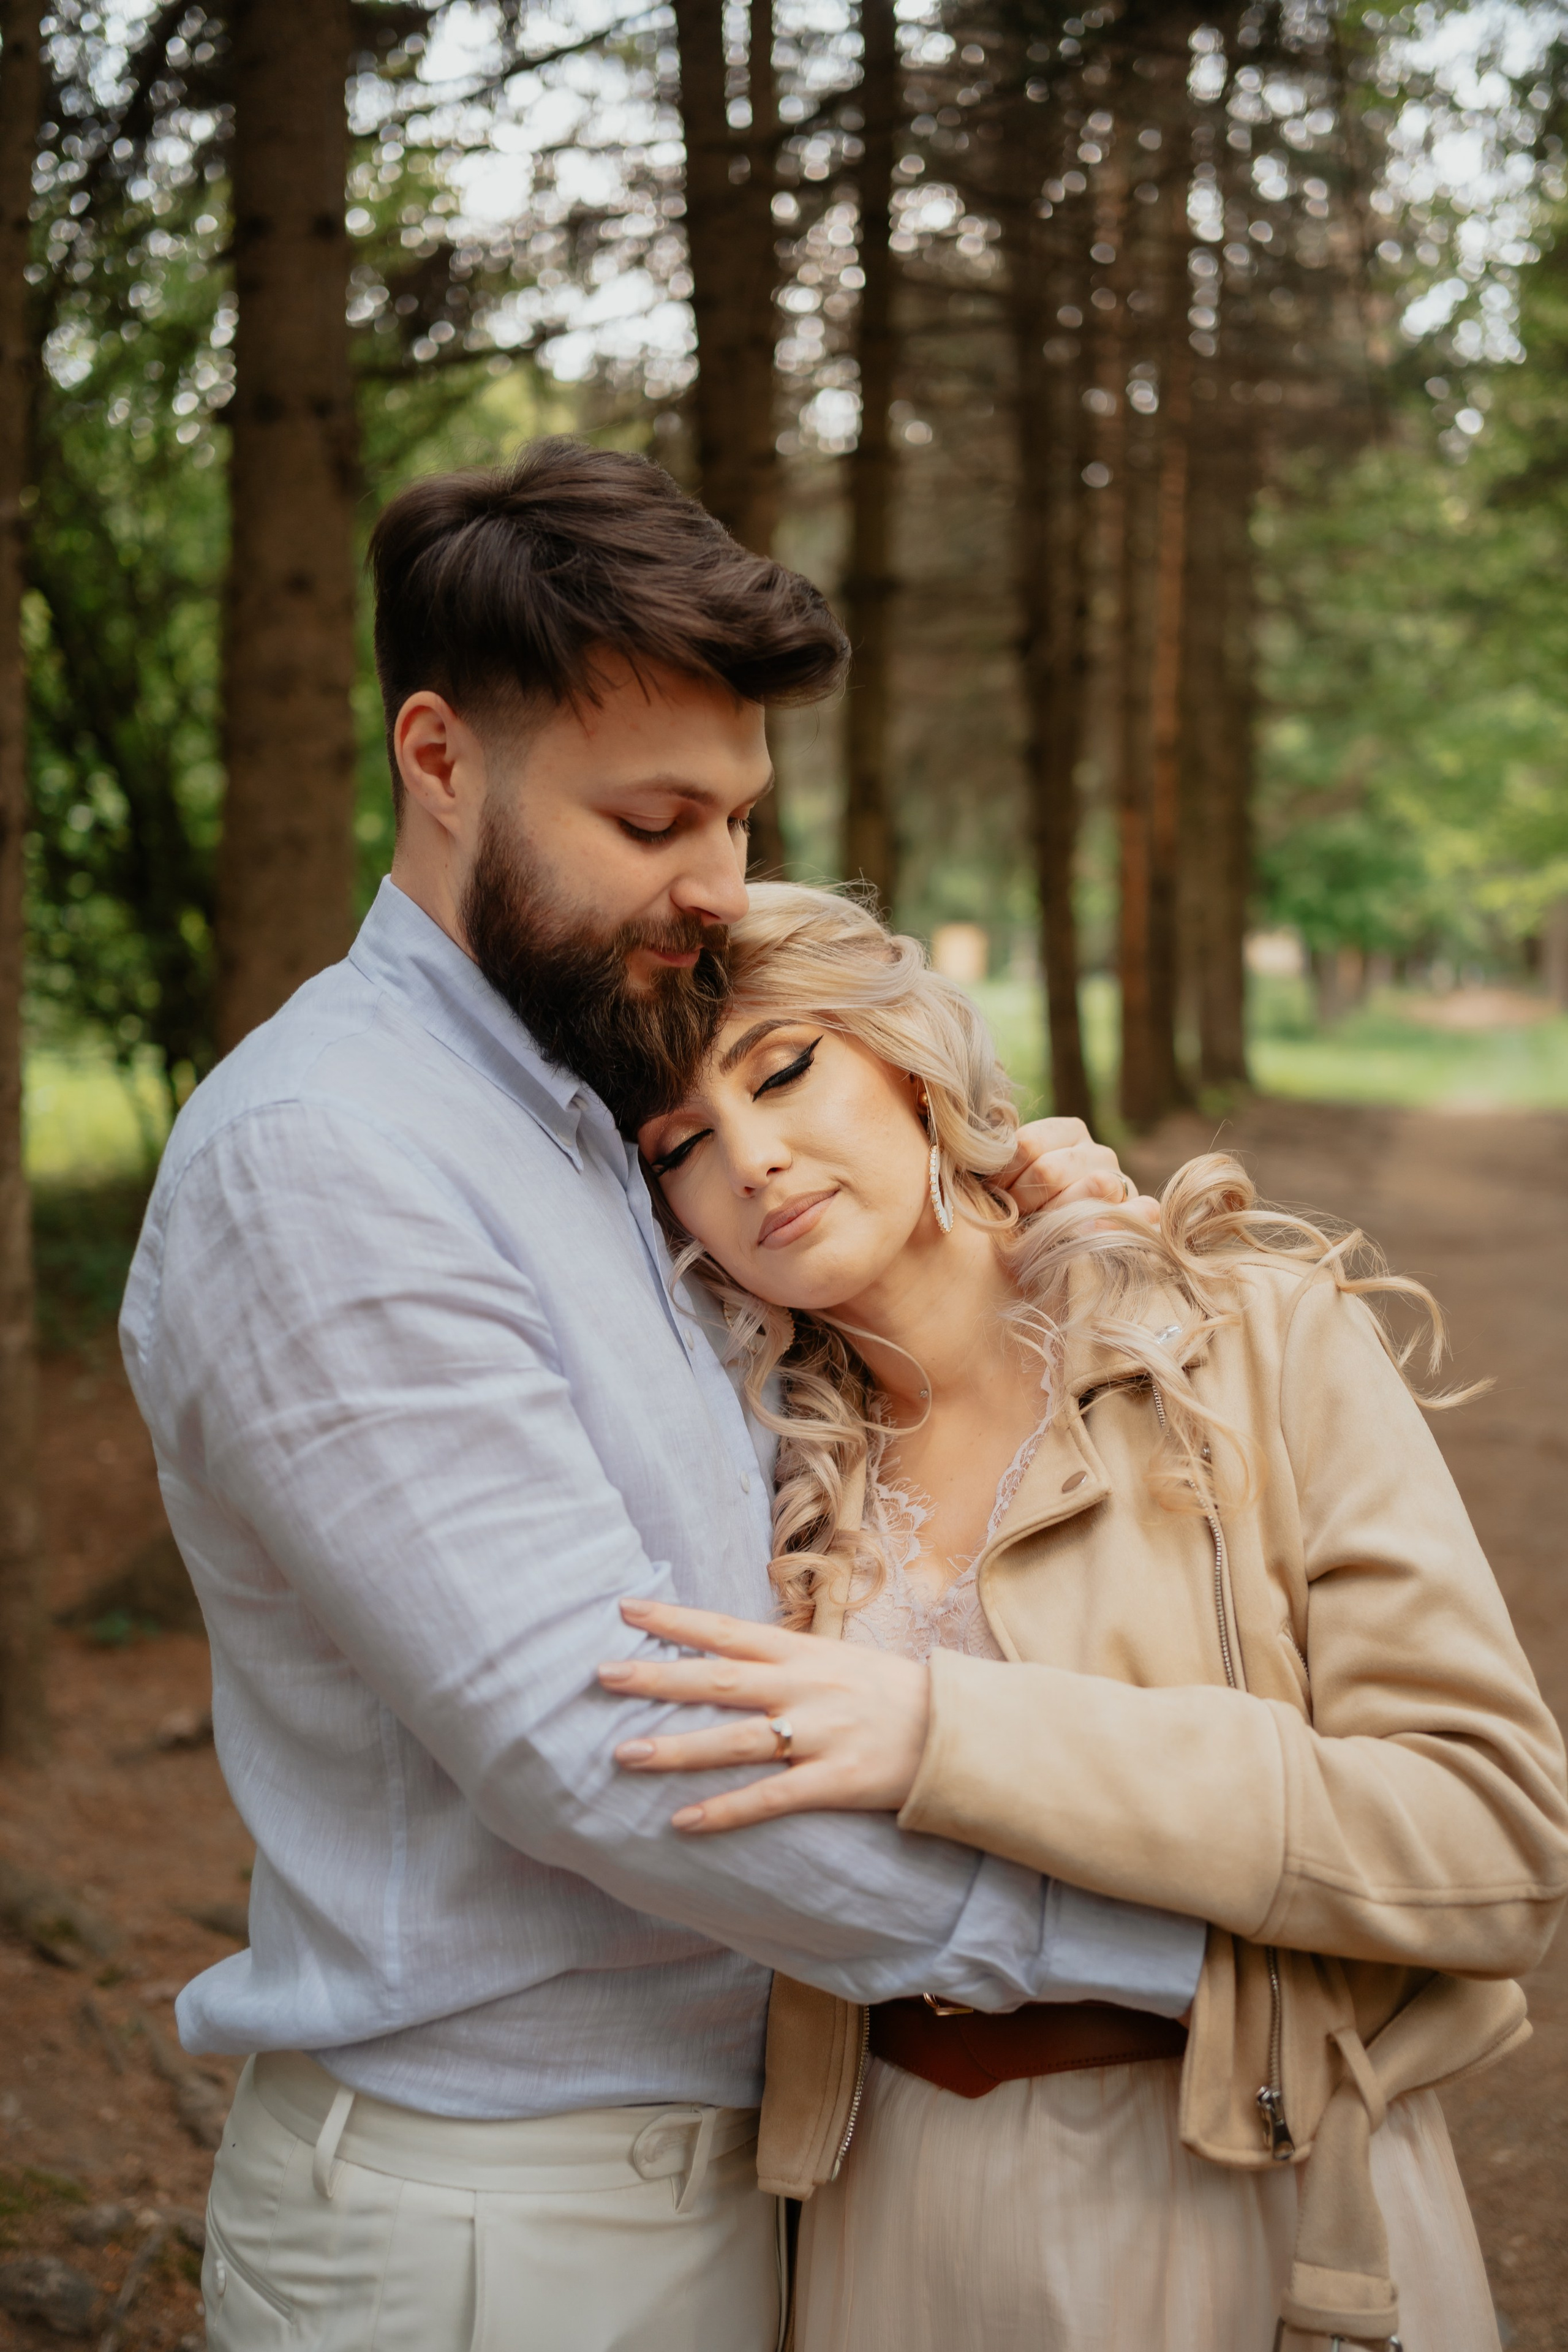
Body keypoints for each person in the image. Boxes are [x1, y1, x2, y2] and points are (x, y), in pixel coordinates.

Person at [119, 441, 1199, 2352]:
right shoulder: (330, 1157)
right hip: (496, 2230)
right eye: (655, 821)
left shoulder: (592, 1098)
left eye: (739, 818)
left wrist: (1017, 1226)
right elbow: (596, 1745)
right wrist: (1156, 1954)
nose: (720, 885)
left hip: (726, 2165)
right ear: (439, 758)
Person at [603, 881, 1568, 2352]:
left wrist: (951, 1730)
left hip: (1245, 2186)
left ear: (909, 1059)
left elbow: (1493, 1843)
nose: (754, 1159)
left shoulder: (1240, 1338)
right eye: (681, 1145)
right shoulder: (748, 1473)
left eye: (783, 1068)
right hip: (887, 2217)